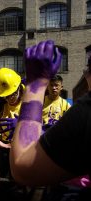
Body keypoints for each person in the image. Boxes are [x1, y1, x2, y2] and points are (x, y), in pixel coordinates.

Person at [10, 39, 91, 199]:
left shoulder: (84, 111)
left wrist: (36, 83)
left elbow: (23, 168)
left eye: (88, 66)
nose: (85, 72)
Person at [0, 68, 24, 178]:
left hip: (24, 148)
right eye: (7, 96)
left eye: (13, 94)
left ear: (19, 88)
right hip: (5, 149)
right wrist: (0, 143)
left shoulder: (28, 103)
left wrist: (20, 125)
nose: (10, 98)